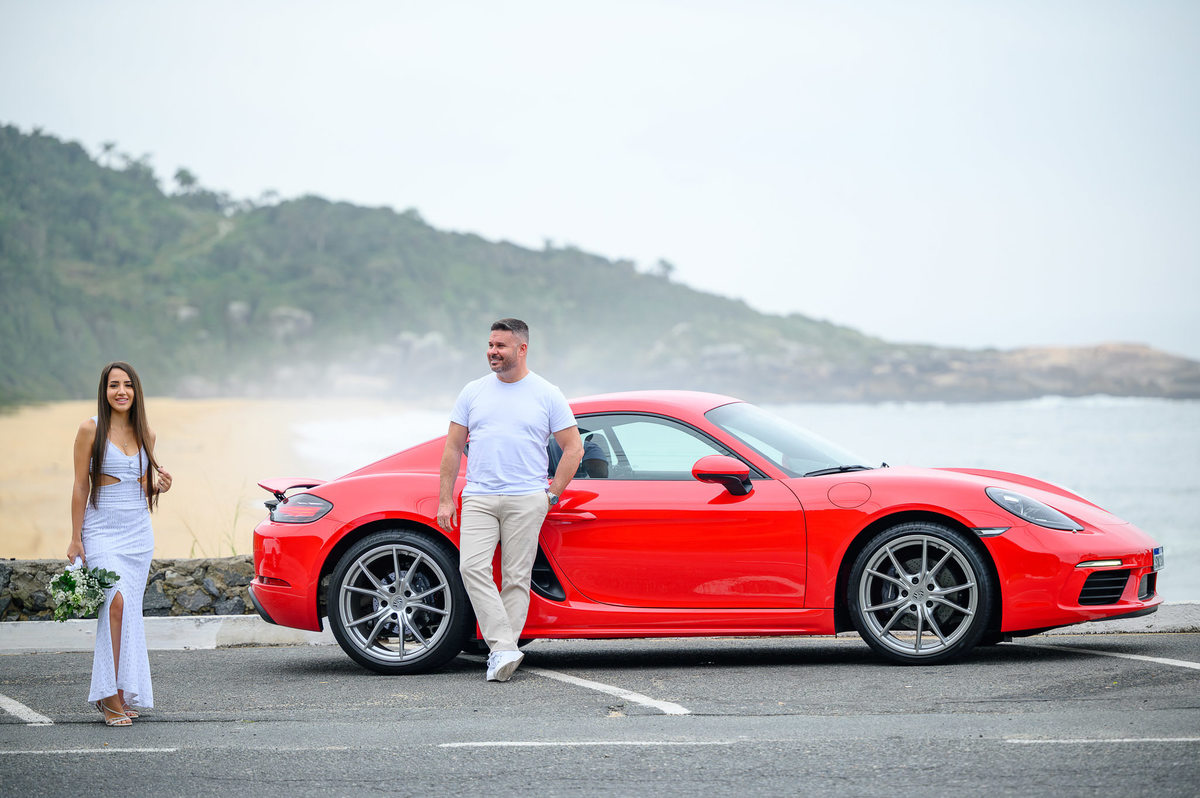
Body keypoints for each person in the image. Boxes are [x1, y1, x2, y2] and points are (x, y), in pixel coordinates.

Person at [437, 318, 583, 682]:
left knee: (516, 577)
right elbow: (453, 447)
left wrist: (550, 495)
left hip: (526, 498)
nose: (492, 352)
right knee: (472, 568)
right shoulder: (473, 391)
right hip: (479, 497)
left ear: (522, 349)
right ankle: (503, 647)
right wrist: (445, 499)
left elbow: (573, 447)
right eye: (490, 344)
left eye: (500, 346)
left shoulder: (547, 393)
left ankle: (501, 655)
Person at [67, 362, 172, 726]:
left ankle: (122, 693)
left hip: (138, 534)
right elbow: (82, 486)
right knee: (115, 603)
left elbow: (141, 487)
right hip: (102, 529)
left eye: (127, 385)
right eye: (114, 385)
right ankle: (108, 696)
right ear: (105, 391)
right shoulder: (89, 429)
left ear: (136, 391)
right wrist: (75, 536)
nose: (121, 391)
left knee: (129, 613)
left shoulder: (147, 434)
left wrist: (157, 486)